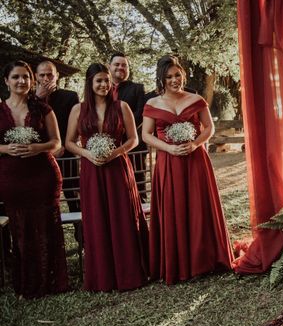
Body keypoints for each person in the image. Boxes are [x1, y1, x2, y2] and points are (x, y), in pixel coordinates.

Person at [142, 55, 233, 284]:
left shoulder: (196, 99)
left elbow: (209, 128)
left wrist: (194, 143)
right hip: (168, 163)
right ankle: (178, 263)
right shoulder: (152, 104)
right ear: (162, 79)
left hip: (196, 161)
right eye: (169, 77)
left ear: (183, 75)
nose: (175, 80)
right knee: (174, 208)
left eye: (177, 75)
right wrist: (169, 149)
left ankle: (204, 260)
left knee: (198, 206)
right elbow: (146, 135)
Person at [65, 64, 148, 291]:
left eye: (106, 80)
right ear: (90, 84)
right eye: (98, 81)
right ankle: (103, 277)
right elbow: (69, 142)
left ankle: (129, 273)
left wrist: (114, 152)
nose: (103, 85)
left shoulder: (122, 106)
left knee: (123, 216)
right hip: (91, 170)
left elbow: (133, 139)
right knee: (97, 218)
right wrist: (88, 154)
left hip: (118, 168)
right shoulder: (78, 110)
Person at [0, 61, 69, 298]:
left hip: (43, 176)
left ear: (32, 81)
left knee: (46, 227)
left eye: (26, 78)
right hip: (11, 179)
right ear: (6, 81)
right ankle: (26, 283)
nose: (21, 82)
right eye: (16, 77)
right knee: (20, 229)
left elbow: (57, 142)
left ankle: (52, 281)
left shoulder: (42, 109)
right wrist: (6, 149)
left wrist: (37, 147)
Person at [35, 60, 81, 212]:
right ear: (36, 77)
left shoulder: (69, 97)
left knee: (74, 197)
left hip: (65, 154)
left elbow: (74, 126)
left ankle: (80, 232)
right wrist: (38, 98)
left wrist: (63, 145)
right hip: (40, 157)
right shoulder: (29, 99)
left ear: (57, 76)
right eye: (42, 75)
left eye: (50, 75)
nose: (46, 79)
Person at [108, 52, 148, 197]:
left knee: (137, 182)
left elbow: (140, 113)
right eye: (117, 64)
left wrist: (122, 128)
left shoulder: (137, 88)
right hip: (108, 145)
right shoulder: (102, 88)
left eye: (124, 65)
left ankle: (141, 210)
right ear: (109, 67)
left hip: (134, 145)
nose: (121, 67)